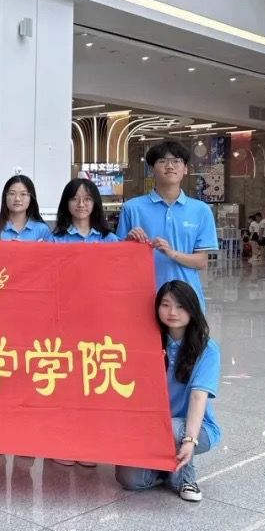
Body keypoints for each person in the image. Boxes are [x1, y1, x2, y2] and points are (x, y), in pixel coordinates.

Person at [115, 280, 221, 502]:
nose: (173, 312)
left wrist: (189, 440)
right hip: (152, 427)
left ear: (193, 309)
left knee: (171, 428)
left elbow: (198, 397)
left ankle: (186, 479)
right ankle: (166, 470)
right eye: (166, 305)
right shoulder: (147, 342)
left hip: (194, 429)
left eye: (181, 306)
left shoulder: (207, 350)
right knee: (129, 479)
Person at [50, 178, 119, 468]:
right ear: (66, 203)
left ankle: (88, 443)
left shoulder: (110, 240)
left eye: (88, 199)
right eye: (75, 199)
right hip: (64, 322)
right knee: (66, 382)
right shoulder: (55, 240)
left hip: (97, 323)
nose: (81, 204)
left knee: (92, 381)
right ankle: (63, 442)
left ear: (96, 204)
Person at [117, 140, 218, 310]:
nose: (170, 166)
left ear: (185, 169)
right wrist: (129, 243)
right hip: (142, 298)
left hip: (186, 299)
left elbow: (201, 262)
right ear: (151, 169)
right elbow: (119, 260)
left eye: (176, 161)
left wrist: (172, 253)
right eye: (162, 161)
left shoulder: (201, 210)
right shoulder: (132, 208)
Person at [0, 175, 54, 242]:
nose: (17, 199)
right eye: (12, 193)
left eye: (23, 194)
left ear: (31, 198)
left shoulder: (42, 230)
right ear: (5, 197)